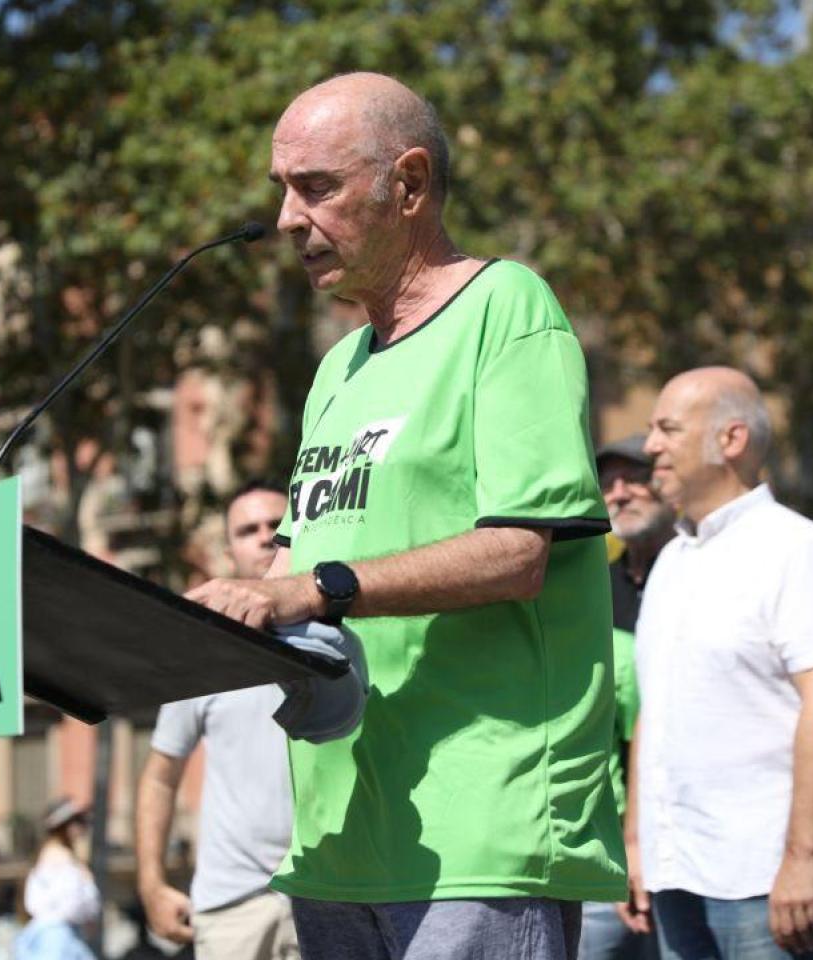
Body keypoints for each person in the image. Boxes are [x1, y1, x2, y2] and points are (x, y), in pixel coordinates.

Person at [183, 72, 624, 960]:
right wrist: (196, 617)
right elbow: (296, 563)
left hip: (480, 831)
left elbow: (517, 552)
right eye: (281, 191)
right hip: (338, 838)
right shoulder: (336, 371)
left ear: (409, 186)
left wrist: (313, 590)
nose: (285, 220)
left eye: (316, 187)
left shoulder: (508, 310)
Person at [627, 367, 813, 960]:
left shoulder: (798, 549)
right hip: (674, 873)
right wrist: (636, 842)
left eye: (668, 429)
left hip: (762, 881)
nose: (650, 444)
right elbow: (653, 714)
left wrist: (802, 860)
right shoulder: (671, 560)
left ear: (731, 440)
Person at [136, 483, 299, 960]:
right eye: (248, 530)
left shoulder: (345, 635)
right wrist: (151, 883)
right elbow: (161, 776)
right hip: (232, 905)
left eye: (276, 524)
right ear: (229, 550)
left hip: (328, 894)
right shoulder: (202, 652)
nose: (265, 536)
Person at [585, 435, 672, 960]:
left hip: (688, 839)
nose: (618, 494)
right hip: (608, 848)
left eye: (633, 478)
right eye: (608, 483)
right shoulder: (592, 589)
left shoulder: (697, 576)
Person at [16, 797, 100, 960]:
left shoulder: (64, 856)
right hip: (57, 941)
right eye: (77, 821)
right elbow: (72, 904)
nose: (83, 827)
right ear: (63, 826)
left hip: (65, 939)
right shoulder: (59, 857)